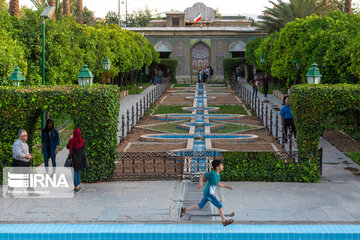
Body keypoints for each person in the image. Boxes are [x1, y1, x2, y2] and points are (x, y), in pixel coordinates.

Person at [180, 160, 234, 226]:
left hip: (208, 193)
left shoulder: (218, 174)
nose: (223, 166)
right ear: (217, 167)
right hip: (209, 194)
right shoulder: (212, 174)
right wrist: (200, 183)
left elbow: (218, 183)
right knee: (220, 205)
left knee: (200, 206)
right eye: (221, 165)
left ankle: (185, 209)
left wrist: (227, 186)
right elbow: (202, 175)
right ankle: (224, 221)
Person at [7, 129, 39, 197]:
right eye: (25, 135)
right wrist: (26, 155)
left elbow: (24, 153)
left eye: (27, 135)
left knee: (29, 177)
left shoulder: (25, 143)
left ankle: (31, 192)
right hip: (18, 163)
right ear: (20, 136)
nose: (26, 137)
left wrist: (29, 154)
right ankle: (9, 192)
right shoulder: (17, 143)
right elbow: (17, 154)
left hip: (26, 163)